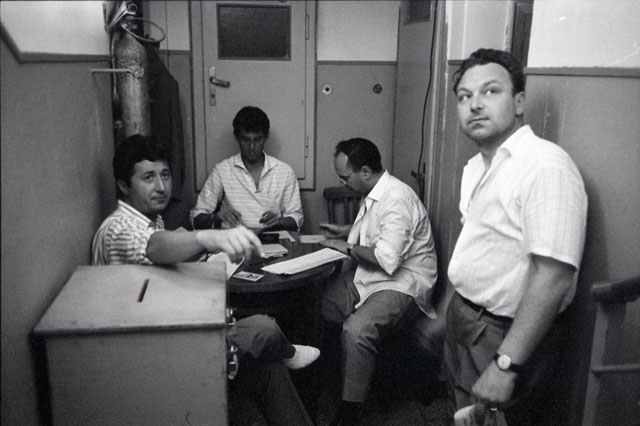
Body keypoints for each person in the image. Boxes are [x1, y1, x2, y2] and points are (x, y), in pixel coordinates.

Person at [92, 134, 318, 426]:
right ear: (124, 185)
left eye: (165, 175)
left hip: (167, 332)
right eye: (148, 177)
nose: (161, 186)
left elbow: (158, 254)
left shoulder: (150, 219)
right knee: (264, 328)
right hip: (149, 357)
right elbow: (153, 246)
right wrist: (209, 236)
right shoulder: (118, 229)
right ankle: (288, 352)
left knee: (269, 371)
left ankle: (285, 357)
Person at [445, 48, 588, 426]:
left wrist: (505, 365)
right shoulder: (476, 167)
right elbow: (477, 245)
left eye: (490, 91)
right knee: (463, 411)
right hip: (467, 317)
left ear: (520, 102)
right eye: (464, 96)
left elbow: (554, 277)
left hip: (503, 334)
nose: (475, 104)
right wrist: (449, 311)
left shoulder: (544, 166)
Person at [318, 137, 438, 426]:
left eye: (345, 177)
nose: (342, 182)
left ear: (365, 171)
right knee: (322, 303)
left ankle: (350, 410)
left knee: (357, 329)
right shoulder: (373, 191)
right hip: (372, 276)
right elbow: (380, 231)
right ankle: (339, 374)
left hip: (402, 282)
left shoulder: (396, 198)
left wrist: (347, 247)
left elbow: (387, 259)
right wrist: (347, 230)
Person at [191, 106, 303, 232]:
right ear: (237, 138)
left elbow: (296, 220)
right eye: (245, 140)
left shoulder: (284, 172)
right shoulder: (222, 171)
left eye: (257, 140)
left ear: (266, 137)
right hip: (233, 239)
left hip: (272, 237)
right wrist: (216, 217)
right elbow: (196, 218)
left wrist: (279, 222)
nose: (251, 147)